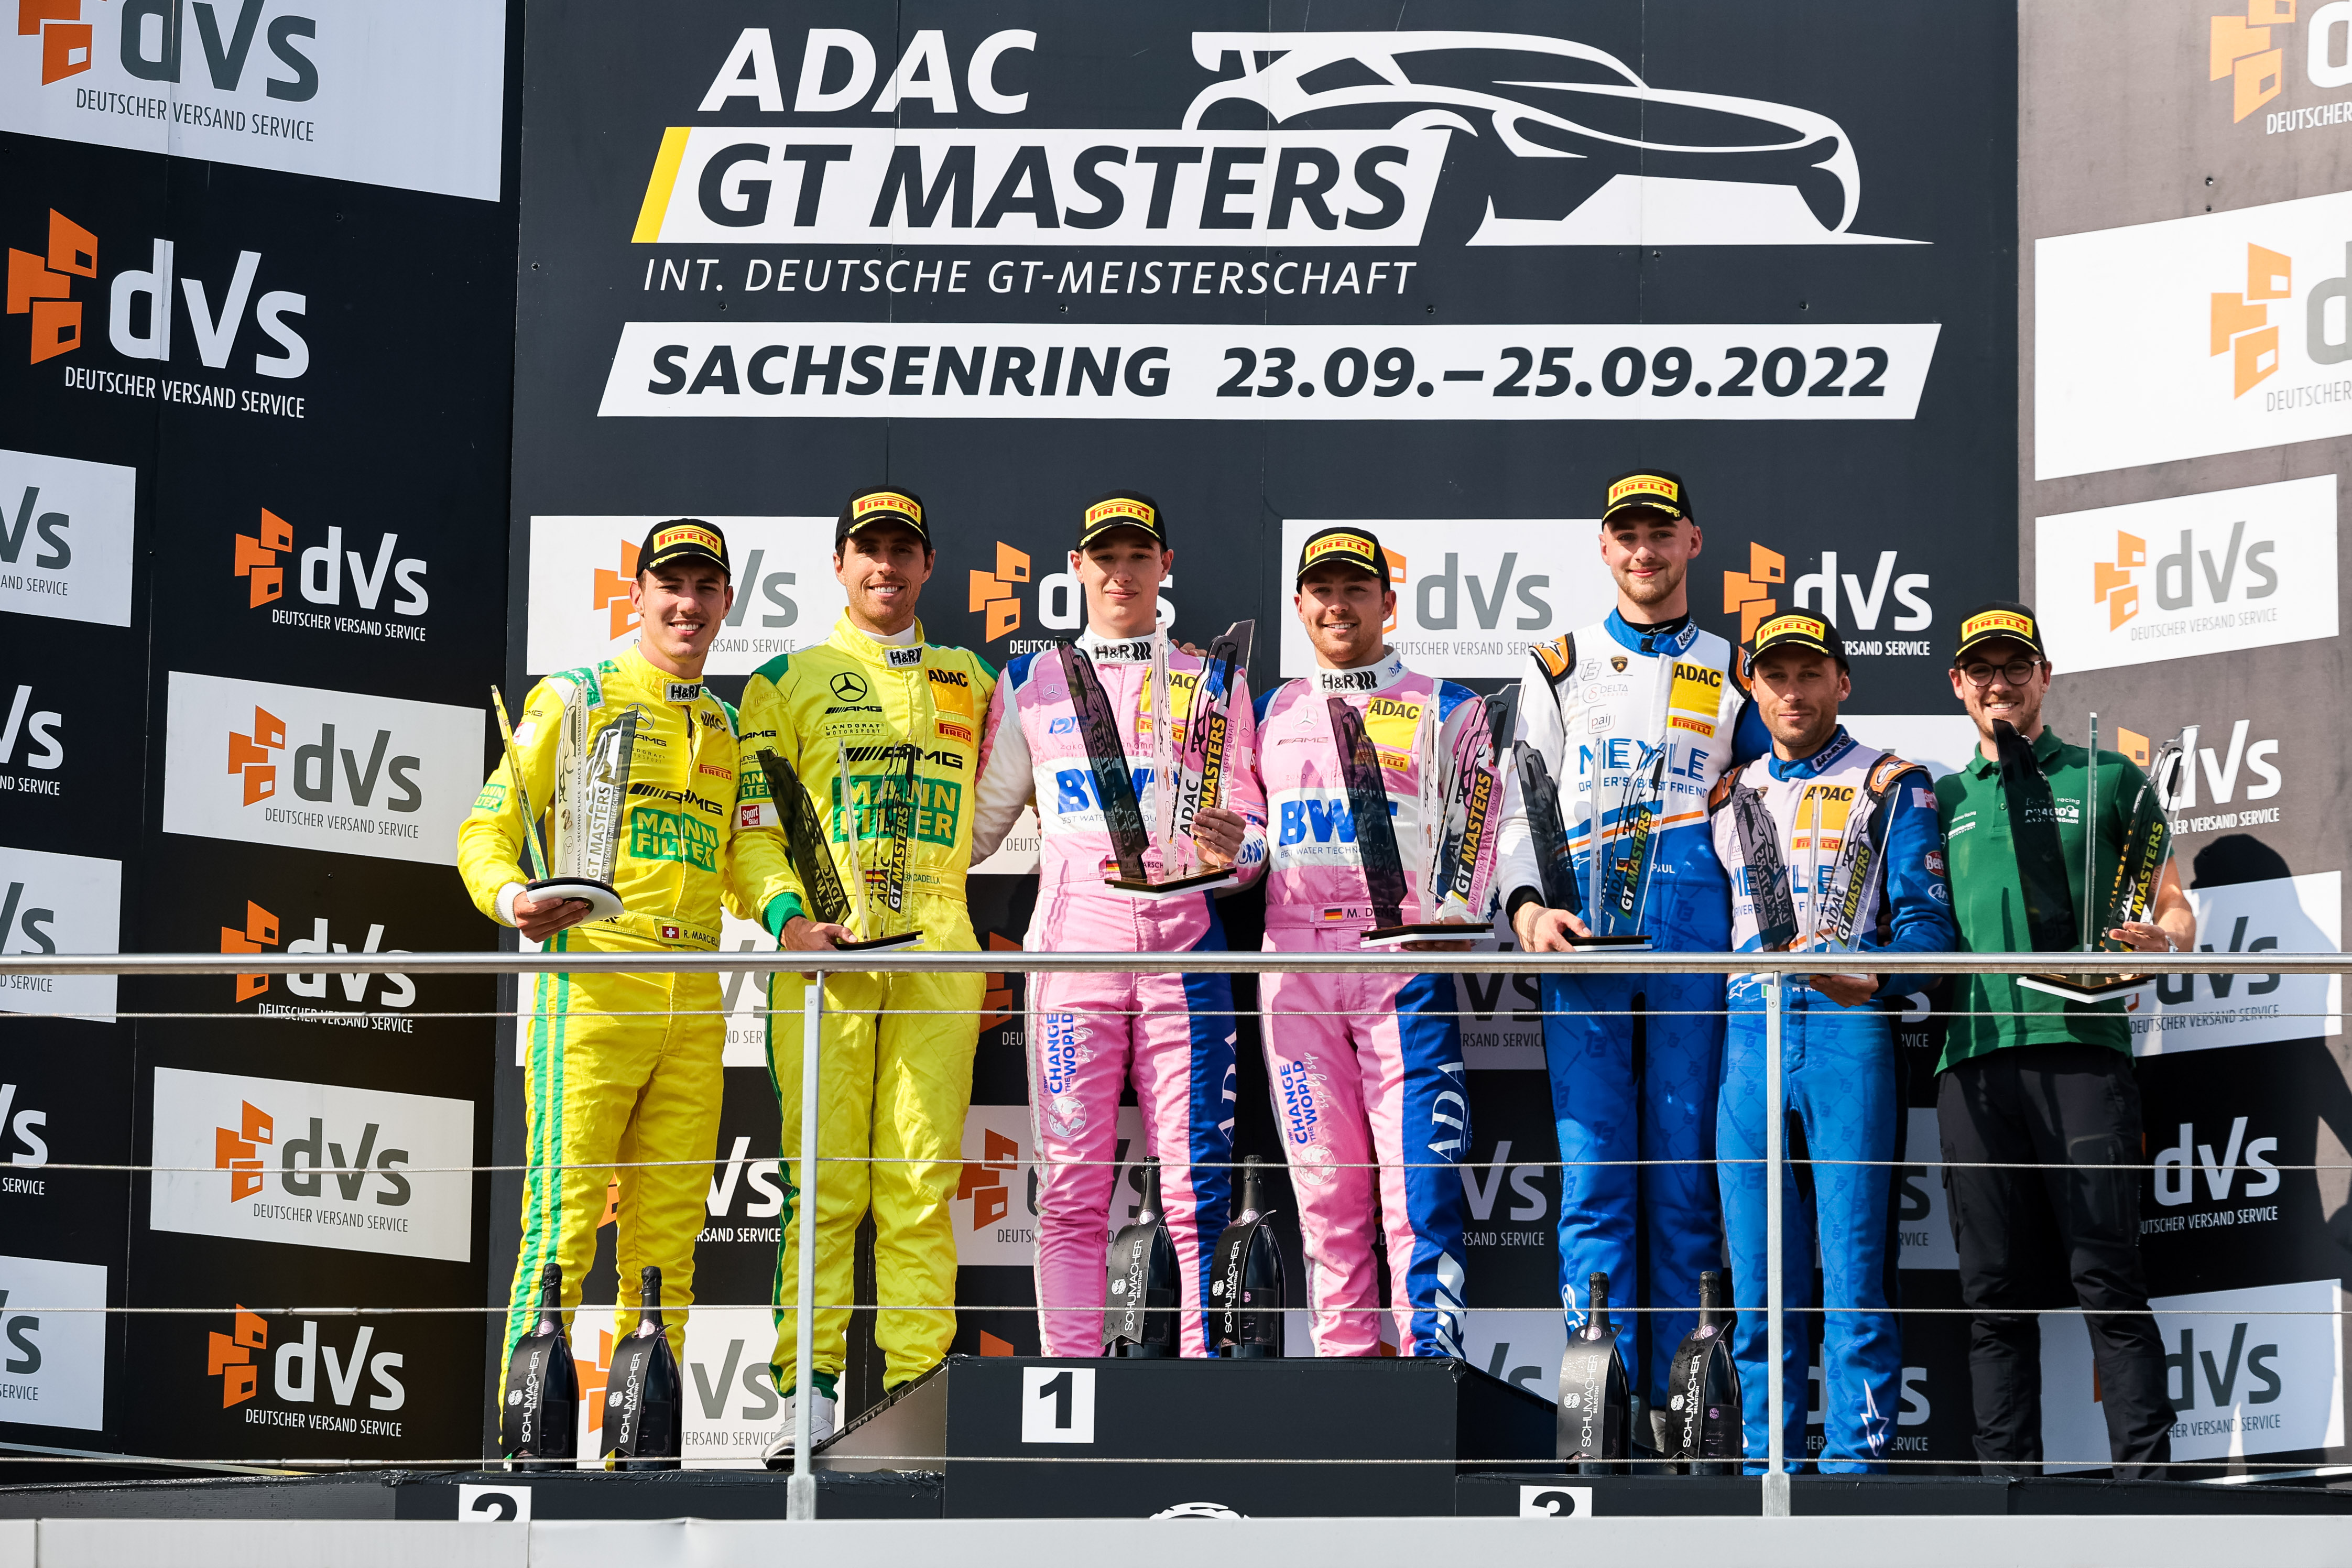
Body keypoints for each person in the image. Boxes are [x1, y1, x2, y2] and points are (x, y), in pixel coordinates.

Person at [458, 520, 795, 1374]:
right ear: (636, 594)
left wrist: (790, 916)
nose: (688, 605)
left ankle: (645, 1438)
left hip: (697, 996)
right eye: (670, 586)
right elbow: (487, 828)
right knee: (563, 1228)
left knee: (668, 1249)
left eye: (705, 588)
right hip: (594, 984)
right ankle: (527, 1439)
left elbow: (751, 857)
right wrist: (513, 898)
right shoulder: (577, 695)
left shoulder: (727, 726)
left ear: (728, 601)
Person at [1492, 467, 1767, 1443]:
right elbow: (1518, 805)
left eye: (1662, 533)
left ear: (1693, 542)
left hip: (1696, 937)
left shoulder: (1738, 668)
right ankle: (1597, 1407)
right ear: (1604, 548)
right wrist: (1527, 909)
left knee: (1687, 1183)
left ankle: (1681, 1411)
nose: (1645, 551)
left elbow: (1770, 810)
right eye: (1628, 535)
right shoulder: (1559, 661)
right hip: (1586, 939)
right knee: (1596, 1177)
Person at [734, 486, 1004, 1458]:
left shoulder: (974, 678)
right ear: (840, 564)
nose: (885, 566)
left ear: (928, 565)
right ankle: (805, 1402)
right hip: (828, 959)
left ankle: (913, 1408)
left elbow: (1025, 790)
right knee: (823, 1184)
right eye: (868, 549)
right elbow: (752, 831)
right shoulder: (784, 679)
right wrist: (788, 920)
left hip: (938, 951)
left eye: (902, 550)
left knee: (921, 1182)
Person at [971, 490, 1268, 1358]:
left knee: (1197, 1190)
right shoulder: (1031, 682)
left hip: (1188, 959)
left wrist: (1239, 847)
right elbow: (976, 830)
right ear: (1077, 568)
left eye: (1139, 556)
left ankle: (1199, 1378)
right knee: (1069, 1191)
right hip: (1073, 964)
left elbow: (1255, 845)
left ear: (1165, 567)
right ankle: (1068, 1379)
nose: (1121, 573)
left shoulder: (1216, 681)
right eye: (1105, 557)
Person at [1933, 601, 2193, 1478]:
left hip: (2084, 1049)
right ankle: (2009, 1497)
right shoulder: (1940, 797)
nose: (1999, 684)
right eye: (1982, 670)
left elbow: (2174, 906)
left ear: (2045, 677)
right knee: (1992, 1296)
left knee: (2108, 1280)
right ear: (1958, 684)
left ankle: (2147, 1491)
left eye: (2017, 667)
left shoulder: (2109, 777)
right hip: (1972, 1062)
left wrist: (2166, 941)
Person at [1707, 611, 1955, 1472]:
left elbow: (1932, 937)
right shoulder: (1725, 794)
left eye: (1810, 674)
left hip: (1849, 1030)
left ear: (1842, 683)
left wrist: (1871, 977)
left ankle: (1855, 1477)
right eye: (1776, 676)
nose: (1793, 692)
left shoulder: (1892, 781)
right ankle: (1763, 1474)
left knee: (1854, 1273)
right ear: (1753, 689)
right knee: (1757, 1286)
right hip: (1748, 1034)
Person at [1251, 527, 1477, 1357]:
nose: (1339, 605)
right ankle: (1346, 1376)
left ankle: (1431, 1372)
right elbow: (1245, 839)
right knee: (1326, 1198)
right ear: (1300, 605)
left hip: (1400, 968)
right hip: (1297, 973)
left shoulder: (1448, 705)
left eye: (1357, 589)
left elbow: (1482, 842)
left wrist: (1458, 914)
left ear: (1389, 601)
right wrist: (1229, 849)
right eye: (1323, 591)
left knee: (1420, 1194)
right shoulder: (1269, 708)